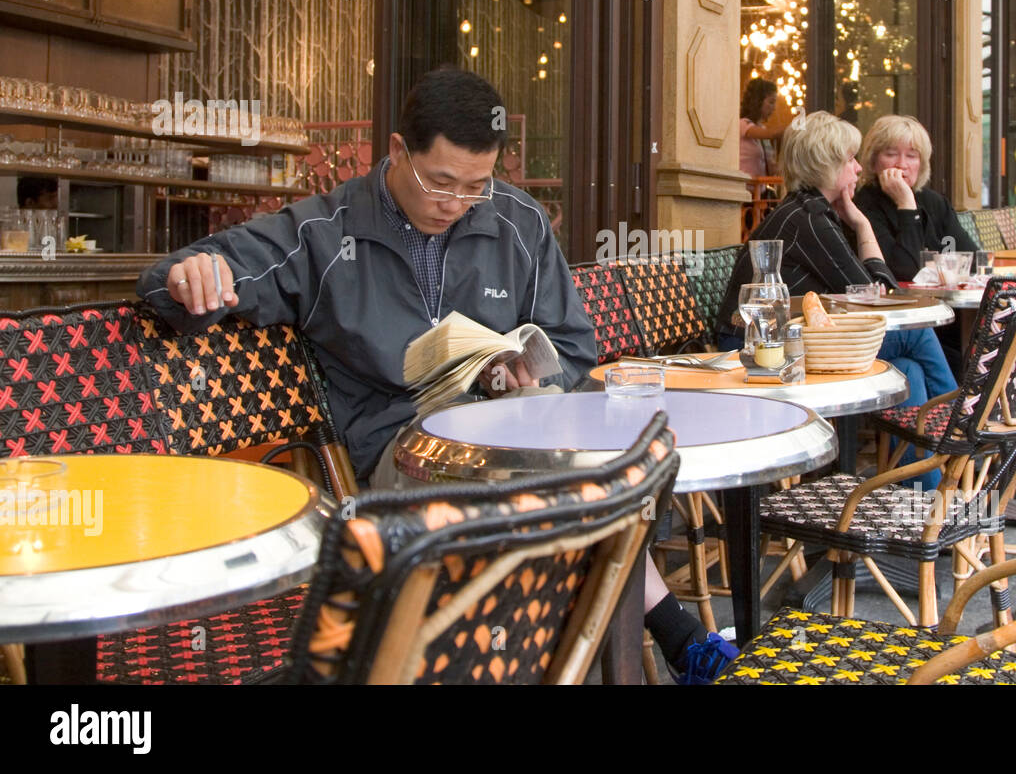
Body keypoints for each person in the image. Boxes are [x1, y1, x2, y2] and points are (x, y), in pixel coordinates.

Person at [137, 68, 734, 682]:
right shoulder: (325, 232)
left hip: (514, 430)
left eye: (476, 185)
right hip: (405, 451)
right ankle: (673, 636)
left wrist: (521, 369)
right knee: (580, 484)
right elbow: (172, 280)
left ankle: (650, 643)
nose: (455, 204)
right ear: (398, 152)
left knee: (605, 466)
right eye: (440, 182)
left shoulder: (516, 221)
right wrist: (192, 276)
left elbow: (574, 344)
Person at [715, 111, 958, 488]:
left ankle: (924, 501)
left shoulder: (814, 211)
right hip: (758, 348)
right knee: (916, 333)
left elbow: (872, 294)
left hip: (789, 340)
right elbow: (877, 297)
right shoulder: (807, 217)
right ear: (826, 164)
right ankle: (962, 434)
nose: (859, 168)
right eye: (850, 159)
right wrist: (862, 225)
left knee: (908, 370)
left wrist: (857, 223)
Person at [852, 115, 978, 283]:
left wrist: (929, 269)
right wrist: (906, 206)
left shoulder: (935, 202)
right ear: (873, 161)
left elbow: (972, 261)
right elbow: (904, 272)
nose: (902, 164)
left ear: (921, 163)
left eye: (911, 156)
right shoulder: (863, 205)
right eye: (891, 154)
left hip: (947, 305)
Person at [739, 78, 784, 181]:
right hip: (746, 189)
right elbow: (771, 134)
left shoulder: (762, 129)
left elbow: (771, 167)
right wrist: (794, 127)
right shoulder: (743, 124)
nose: (774, 108)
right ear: (758, 101)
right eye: (771, 102)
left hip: (760, 189)